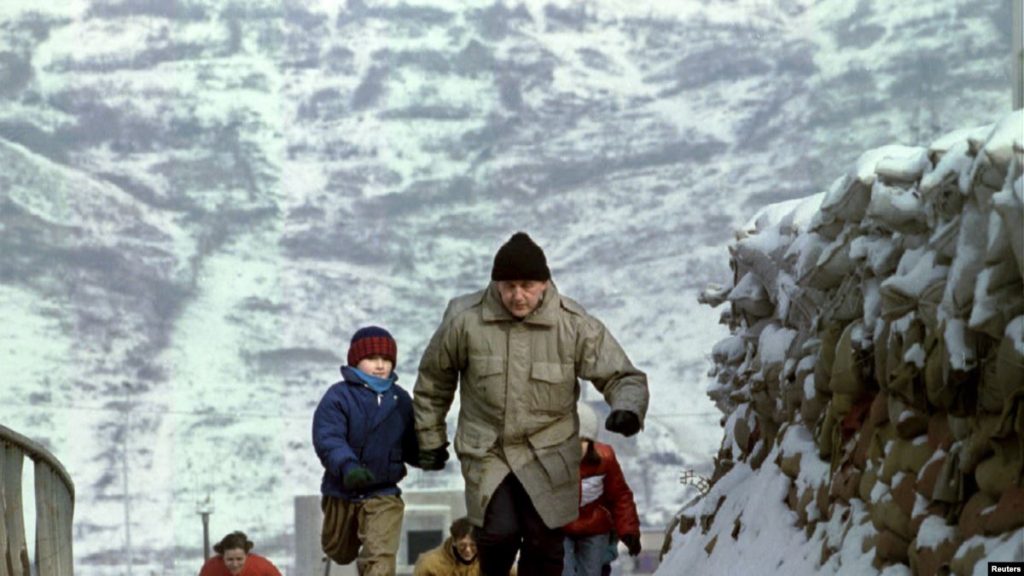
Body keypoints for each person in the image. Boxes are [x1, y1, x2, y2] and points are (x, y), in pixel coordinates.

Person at [414, 232, 649, 576]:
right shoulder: (465, 320)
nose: (517, 295)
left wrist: (627, 409)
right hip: (489, 451)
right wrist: (430, 440)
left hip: (549, 452)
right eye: (508, 286)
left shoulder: (572, 324)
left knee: (544, 543)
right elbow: (434, 382)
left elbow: (622, 375)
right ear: (495, 284)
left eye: (527, 285)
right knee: (498, 536)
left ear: (544, 284)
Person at [312, 326, 419, 576]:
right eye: (372, 359)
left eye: (386, 360)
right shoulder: (338, 396)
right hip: (342, 489)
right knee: (338, 550)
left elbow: (411, 440)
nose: (380, 366)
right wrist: (348, 466)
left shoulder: (401, 399)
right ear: (356, 361)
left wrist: (425, 454)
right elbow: (329, 438)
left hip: (383, 491)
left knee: (380, 556)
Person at [562, 403, 641, 576]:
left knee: (592, 570)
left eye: (581, 441)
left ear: (590, 442)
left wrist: (628, 531)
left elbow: (620, 496)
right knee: (563, 568)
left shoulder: (605, 459)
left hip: (595, 525)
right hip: (561, 527)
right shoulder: (553, 463)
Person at [413, 517, 480, 576]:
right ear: (454, 541)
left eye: (473, 545)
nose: (468, 550)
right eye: (462, 545)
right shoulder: (429, 565)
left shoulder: (485, 563)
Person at [198, 531, 281, 576]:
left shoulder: (263, 567)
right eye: (230, 559)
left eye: (239, 559)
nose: (235, 564)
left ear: (247, 555)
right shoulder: (211, 568)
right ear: (222, 556)